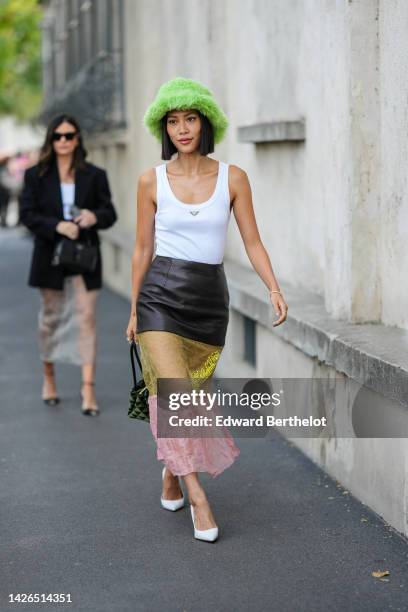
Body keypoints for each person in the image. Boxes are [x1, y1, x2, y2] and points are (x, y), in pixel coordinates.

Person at [126, 77, 288, 542]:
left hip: (208, 305)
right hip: (159, 296)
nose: (182, 128)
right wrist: (135, 309)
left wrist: (273, 287)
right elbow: (141, 249)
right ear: (164, 127)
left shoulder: (233, 177)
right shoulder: (149, 181)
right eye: (173, 121)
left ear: (205, 123)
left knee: (190, 403)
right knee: (175, 397)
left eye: (190, 118)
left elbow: (252, 240)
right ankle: (199, 498)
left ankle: (172, 472)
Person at [20, 113, 118, 416]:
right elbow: (28, 214)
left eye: (69, 135)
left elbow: (109, 212)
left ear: (78, 139)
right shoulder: (35, 174)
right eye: (58, 136)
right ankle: (49, 378)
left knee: (86, 317)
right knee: (51, 318)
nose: (63, 141)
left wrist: (92, 217)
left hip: (84, 256)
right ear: (51, 139)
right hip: (50, 256)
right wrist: (58, 226)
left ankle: (87, 387)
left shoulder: (94, 174)